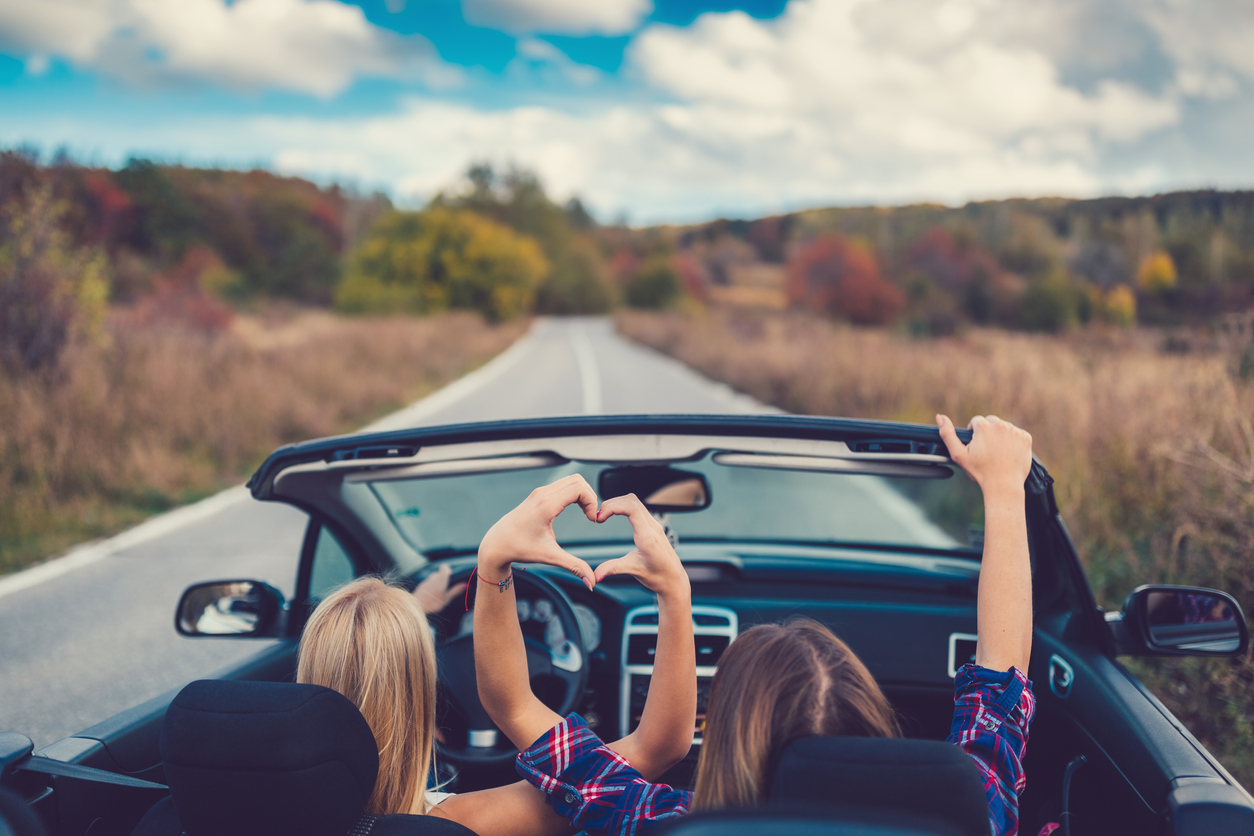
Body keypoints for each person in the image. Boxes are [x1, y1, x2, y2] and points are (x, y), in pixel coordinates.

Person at [474, 414, 1037, 836]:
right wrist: (1005, 488)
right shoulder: (968, 815)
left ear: (724, 740)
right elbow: (1000, 679)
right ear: (872, 728)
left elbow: (517, 706)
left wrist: (495, 562)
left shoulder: (661, 822)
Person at [294, 478, 695, 836]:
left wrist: (408, 612)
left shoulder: (266, 805)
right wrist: (675, 592)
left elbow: (513, 706)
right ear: (420, 699)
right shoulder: (453, 823)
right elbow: (655, 749)